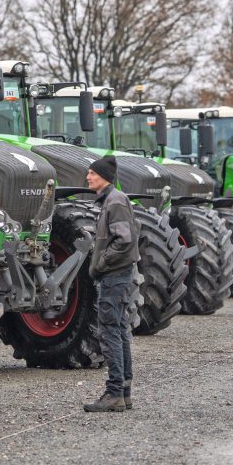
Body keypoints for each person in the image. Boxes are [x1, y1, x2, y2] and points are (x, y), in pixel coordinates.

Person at [83, 154, 140, 413]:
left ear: (104, 177)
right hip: (117, 275)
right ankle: (123, 393)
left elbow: (124, 240)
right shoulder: (113, 200)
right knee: (118, 331)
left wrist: (101, 263)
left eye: (92, 173)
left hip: (114, 276)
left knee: (110, 332)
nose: (88, 177)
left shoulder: (115, 201)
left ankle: (114, 392)